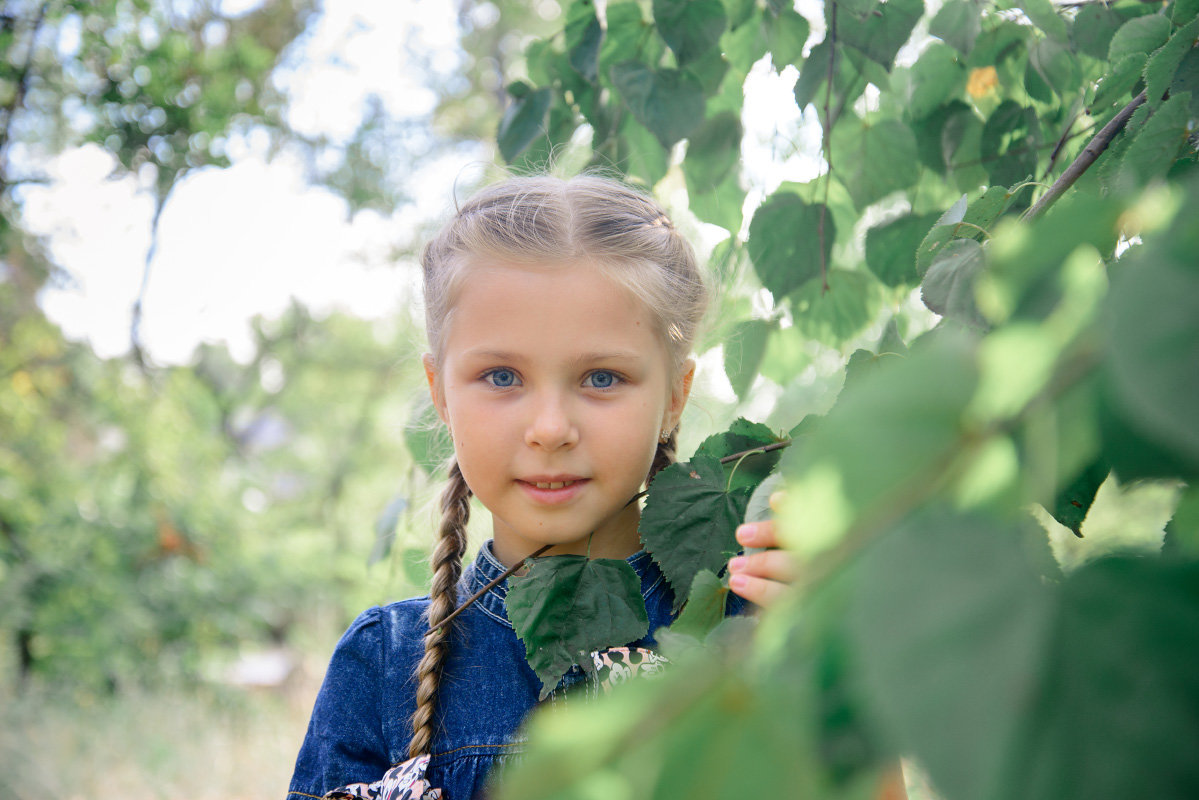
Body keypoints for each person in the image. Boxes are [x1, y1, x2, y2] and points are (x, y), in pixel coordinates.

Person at [286, 174, 796, 800]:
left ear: (675, 397)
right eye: (502, 376)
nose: (550, 429)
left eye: (601, 378)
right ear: (440, 392)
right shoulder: (383, 668)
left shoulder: (755, 628)